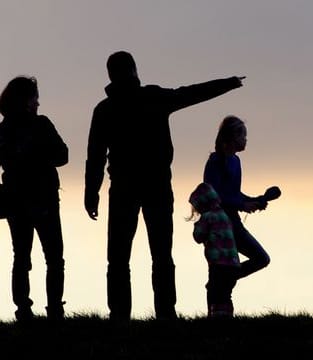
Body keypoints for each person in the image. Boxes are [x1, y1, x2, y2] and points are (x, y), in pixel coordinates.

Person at [84, 51, 245, 322]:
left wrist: (91, 193)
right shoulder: (153, 97)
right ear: (135, 70)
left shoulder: (105, 110)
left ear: (110, 75)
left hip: (123, 187)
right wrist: (227, 83)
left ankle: (119, 316)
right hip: (156, 184)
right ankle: (166, 314)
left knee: (119, 257)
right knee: (161, 254)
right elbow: (191, 94)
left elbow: (95, 156)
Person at [0, 76, 68, 322]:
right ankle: (55, 311)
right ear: (27, 101)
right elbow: (62, 155)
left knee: (22, 256)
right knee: (54, 257)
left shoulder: (4, 130)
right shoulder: (41, 125)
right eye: (35, 98)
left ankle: (24, 311)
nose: (38, 103)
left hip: (16, 199)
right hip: (44, 198)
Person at [203, 115, 279, 282]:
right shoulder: (215, 161)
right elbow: (214, 196)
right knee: (221, 268)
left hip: (234, 222)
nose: (246, 139)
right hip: (218, 225)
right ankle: (225, 281)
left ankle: (226, 279)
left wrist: (254, 200)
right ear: (232, 138)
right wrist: (242, 204)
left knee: (261, 259)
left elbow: (234, 193)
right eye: (243, 135)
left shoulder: (236, 161)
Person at [188, 182, 240, 318]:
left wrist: (197, 223)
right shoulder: (224, 215)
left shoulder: (207, 217)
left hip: (218, 265)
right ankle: (226, 317)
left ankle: (214, 318)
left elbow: (198, 237)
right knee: (225, 294)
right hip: (233, 264)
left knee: (214, 291)